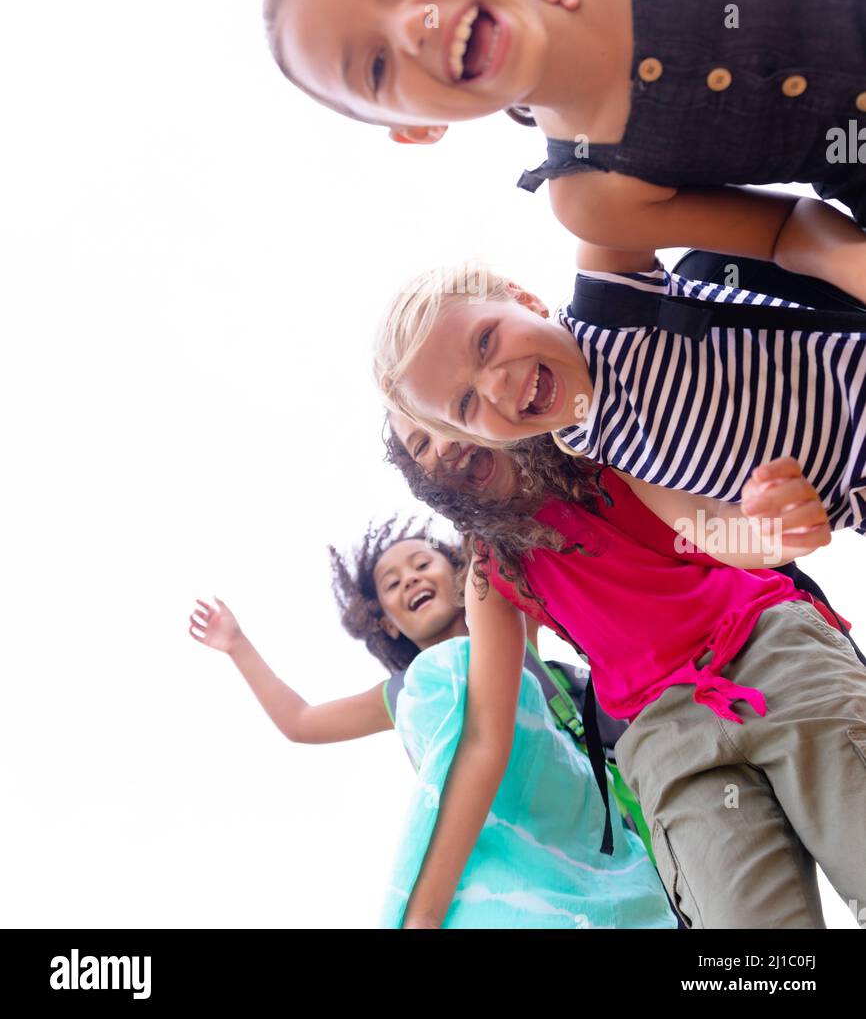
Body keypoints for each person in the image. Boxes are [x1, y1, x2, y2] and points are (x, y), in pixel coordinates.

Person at [263, 0, 866, 303]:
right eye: (373, 67)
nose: (411, 29)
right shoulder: (591, 199)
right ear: (417, 129)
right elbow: (788, 232)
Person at [382, 413, 866, 929]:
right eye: (419, 446)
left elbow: (712, 526)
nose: (442, 447)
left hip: (765, 650)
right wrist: (422, 916)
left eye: (438, 418)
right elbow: (482, 741)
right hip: (668, 742)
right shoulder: (492, 569)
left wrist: (778, 529)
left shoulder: (590, 445)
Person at [187, 515, 675, 930]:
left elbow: (524, 553)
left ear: (459, 574)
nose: (411, 579)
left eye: (422, 565)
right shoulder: (409, 691)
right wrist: (237, 645)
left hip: (631, 801)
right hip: (529, 846)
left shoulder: (512, 624)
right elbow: (301, 720)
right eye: (394, 585)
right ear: (388, 624)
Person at [373, 245, 866, 536]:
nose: (495, 384)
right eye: (465, 404)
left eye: (485, 341)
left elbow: (612, 168)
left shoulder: (612, 302)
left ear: (524, 299)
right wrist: (773, 534)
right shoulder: (589, 442)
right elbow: (707, 524)